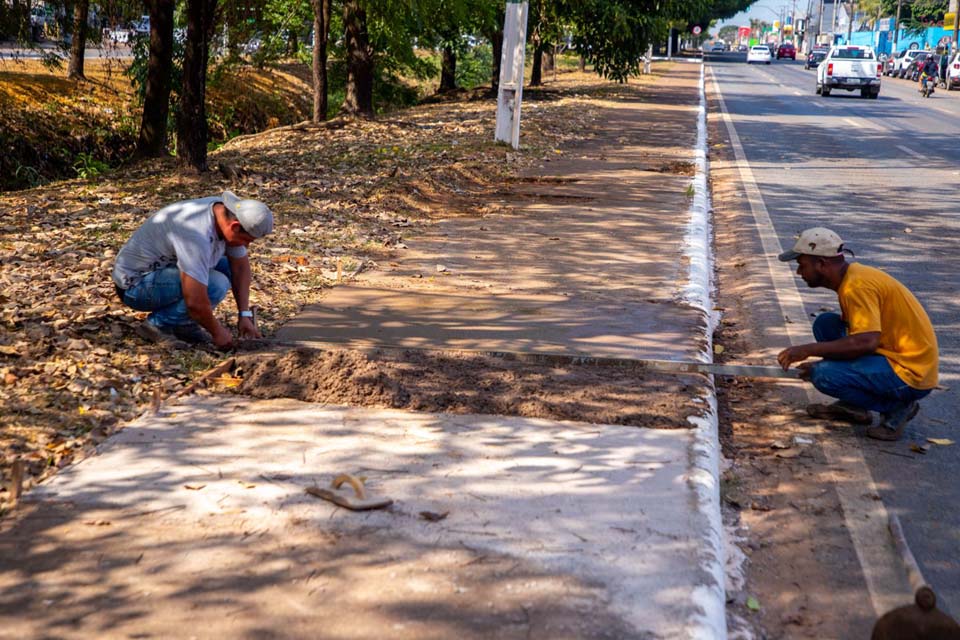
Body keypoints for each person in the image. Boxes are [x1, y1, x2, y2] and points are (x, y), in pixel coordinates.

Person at [776, 228, 939, 441]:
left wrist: (807, 351)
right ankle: (854, 405)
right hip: (893, 355)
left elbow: (865, 342)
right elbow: (858, 334)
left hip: (911, 374)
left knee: (824, 375)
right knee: (826, 324)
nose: (799, 272)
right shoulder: (853, 278)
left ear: (821, 264)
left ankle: (897, 408)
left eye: (802, 265)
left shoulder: (857, 287)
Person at [112, 191, 274, 350]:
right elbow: (195, 302)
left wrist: (244, 315)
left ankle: (182, 323)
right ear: (235, 227)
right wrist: (217, 332)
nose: (246, 246)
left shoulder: (226, 213)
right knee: (216, 284)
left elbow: (240, 268)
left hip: (167, 270)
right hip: (135, 286)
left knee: (228, 267)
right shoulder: (196, 235)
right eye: (246, 240)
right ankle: (157, 325)